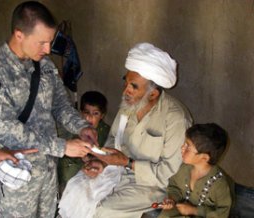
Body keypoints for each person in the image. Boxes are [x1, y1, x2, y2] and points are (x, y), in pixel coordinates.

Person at [0, 1, 97, 217]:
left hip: (48, 175)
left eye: (50, 42)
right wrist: (61, 147)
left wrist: (82, 127)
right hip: (16, 180)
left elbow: (60, 105)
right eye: (42, 43)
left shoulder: (46, 67)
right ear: (19, 34)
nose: (48, 49)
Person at [60, 42, 193, 218]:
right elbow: (115, 137)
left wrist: (126, 163)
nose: (126, 90)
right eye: (126, 82)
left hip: (152, 185)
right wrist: (103, 162)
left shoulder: (176, 119)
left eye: (134, 86)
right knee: (76, 189)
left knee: (103, 210)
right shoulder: (129, 105)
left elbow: (168, 173)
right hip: (117, 171)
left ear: (153, 94)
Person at [157, 123, 233, 218]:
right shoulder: (184, 168)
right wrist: (172, 199)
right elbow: (174, 187)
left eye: (188, 147)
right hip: (183, 209)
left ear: (204, 158)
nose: (182, 148)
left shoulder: (219, 185)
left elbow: (222, 213)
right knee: (165, 215)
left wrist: (194, 210)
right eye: (184, 143)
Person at [57, 91, 110, 193]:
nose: (89, 117)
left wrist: (91, 159)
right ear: (80, 112)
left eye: (95, 113)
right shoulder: (70, 129)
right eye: (86, 112)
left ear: (102, 115)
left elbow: (106, 156)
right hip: (67, 176)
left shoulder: (106, 132)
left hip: (90, 179)